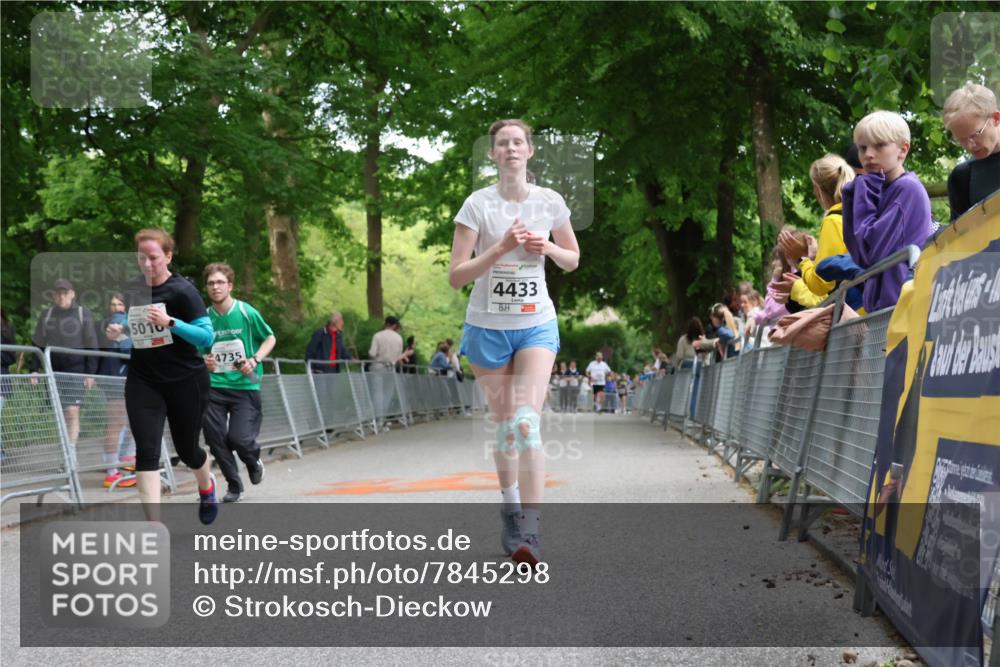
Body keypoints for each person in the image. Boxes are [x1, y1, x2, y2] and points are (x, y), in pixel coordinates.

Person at [448, 118, 580, 566]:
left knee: (527, 421)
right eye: (502, 143)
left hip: (535, 323)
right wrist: (501, 248)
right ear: (493, 153)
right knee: (505, 427)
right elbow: (456, 276)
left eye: (517, 142)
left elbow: (573, 260)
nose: (510, 148)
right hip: (487, 328)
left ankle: (532, 531)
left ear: (530, 151)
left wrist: (548, 248)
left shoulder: (549, 202)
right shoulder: (476, 205)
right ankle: (509, 506)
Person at [121, 229, 217, 524]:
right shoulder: (132, 290)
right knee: (146, 450)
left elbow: (206, 337)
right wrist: (119, 330)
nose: (147, 264)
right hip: (144, 380)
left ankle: (206, 485)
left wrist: (171, 322)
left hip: (185, 381)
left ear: (168, 256)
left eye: (153, 258)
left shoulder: (183, 292)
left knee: (188, 451)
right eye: (142, 258)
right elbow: (139, 330)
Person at [841, 110, 934, 313]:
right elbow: (858, 254)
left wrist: (865, 194)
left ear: (902, 150)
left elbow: (870, 252)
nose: (868, 155)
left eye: (880, 145)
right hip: (882, 307)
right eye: (862, 148)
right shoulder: (880, 189)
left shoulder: (907, 189)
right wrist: (851, 199)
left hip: (903, 307)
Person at [200, 263, 276, 503]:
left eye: (220, 282)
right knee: (216, 438)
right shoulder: (205, 318)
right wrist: (204, 361)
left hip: (245, 384)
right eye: (211, 283)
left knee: (239, 439)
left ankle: (252, 460)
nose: (215, 287)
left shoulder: (245, 312)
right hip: (214, 386)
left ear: (230, 285)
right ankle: (234, 485)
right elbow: (198, 351)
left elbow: (270, 338)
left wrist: (255, 359)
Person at [30, 279, 99, 465]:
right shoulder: (47, 314)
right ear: (53, 295)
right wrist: (34, 370)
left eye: (65, 292)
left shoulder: (82, 313)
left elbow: (92, 343)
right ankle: (65, 454)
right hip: (53, 370)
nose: (61, 296)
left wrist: (91, 372)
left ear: (72, 294)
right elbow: (38, 343)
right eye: (58, 293)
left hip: (76, 370)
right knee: (60, 414)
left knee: (72, 412)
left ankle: (70, 457)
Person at [778, 154, 857, 307]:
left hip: (854, 313)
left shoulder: (833, 221)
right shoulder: (861, 213)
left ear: (818, 190)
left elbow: (822, 284)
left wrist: (801, 259)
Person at [942, 83, 1000, 222]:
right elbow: (961, 237)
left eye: (975, 135)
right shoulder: (962, 177)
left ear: (996, 119)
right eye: (960, 139)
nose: (969, 145)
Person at [97, 292, 136, 488]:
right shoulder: (121, 322)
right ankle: (112, 470)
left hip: (110, 377)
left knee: (122, 422)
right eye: (113, 304)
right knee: (117, 423)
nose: (116, 307)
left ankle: (121, 462)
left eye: (118, 304)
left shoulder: (102, 323)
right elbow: (126, 351)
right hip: (118, 377)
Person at [368, 315, 406, 427]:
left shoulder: (377, 336)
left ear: (386, 323)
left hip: (378, 366)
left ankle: (377, 419)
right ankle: (383, 418)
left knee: (377, 393)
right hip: (391, 368)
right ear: (395, 325)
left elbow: (372, 353)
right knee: (387, 393)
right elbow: (399, 355)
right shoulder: (399, 338)